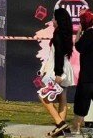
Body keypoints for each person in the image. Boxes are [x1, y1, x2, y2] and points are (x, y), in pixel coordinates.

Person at [37, 7, 76, 137]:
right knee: (62, 97)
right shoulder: (65, 33)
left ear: (58, 20)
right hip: (63, 68)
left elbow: (58, 55)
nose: (52, 20)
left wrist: (58, 74)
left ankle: (60, 123)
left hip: (57, 69)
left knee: (43, 96)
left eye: (54, 18)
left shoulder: (59, 35)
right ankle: (61, 129)